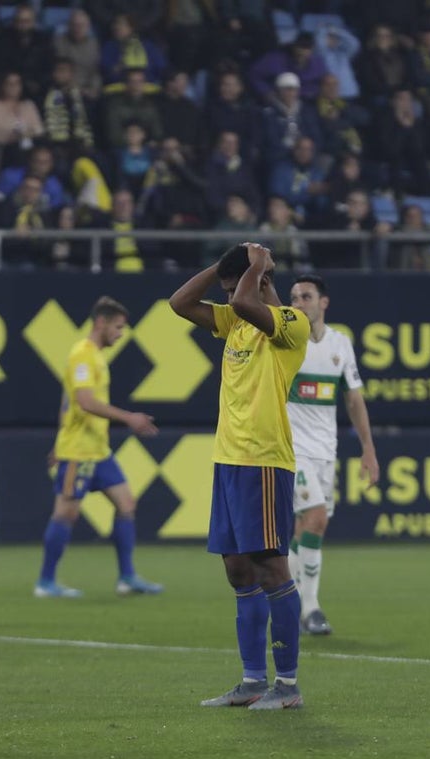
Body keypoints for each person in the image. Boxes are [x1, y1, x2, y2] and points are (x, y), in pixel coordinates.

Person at [169, 243, 310, 710]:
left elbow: (247, 301)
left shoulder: (291, 324)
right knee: (237, 569)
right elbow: (180, 304)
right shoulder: (235, 324)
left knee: (272, 567)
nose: (229, 301)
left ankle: (287, 686)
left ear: (264, 280)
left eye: (235, 289)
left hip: (265, 461)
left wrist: (254, 268)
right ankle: (252, 681)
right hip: (228, 460)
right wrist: (223, 265)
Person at [35, 296, 163, 599]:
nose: (121, 334)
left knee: (126, 503)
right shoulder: (83, 354)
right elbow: (84, 402)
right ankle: (45, 582)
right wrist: (129, 418)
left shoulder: (96, 356)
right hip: (79, 450)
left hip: (98, 449)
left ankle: (127, 578)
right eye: (118, 327)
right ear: (101, 323)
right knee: (66, 514)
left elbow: (67, 404)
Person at [285, 274, 379, 636]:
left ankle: (288, 601)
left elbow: (353, 398)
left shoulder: (340, 343)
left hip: (326, 449)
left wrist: (368, 449)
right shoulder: (287, 339)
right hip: (291, 448)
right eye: (293, 297)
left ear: (323, 302)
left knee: (307, 527)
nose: (298, 302)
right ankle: (310, 608)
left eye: (305, 296)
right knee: (317, 517)